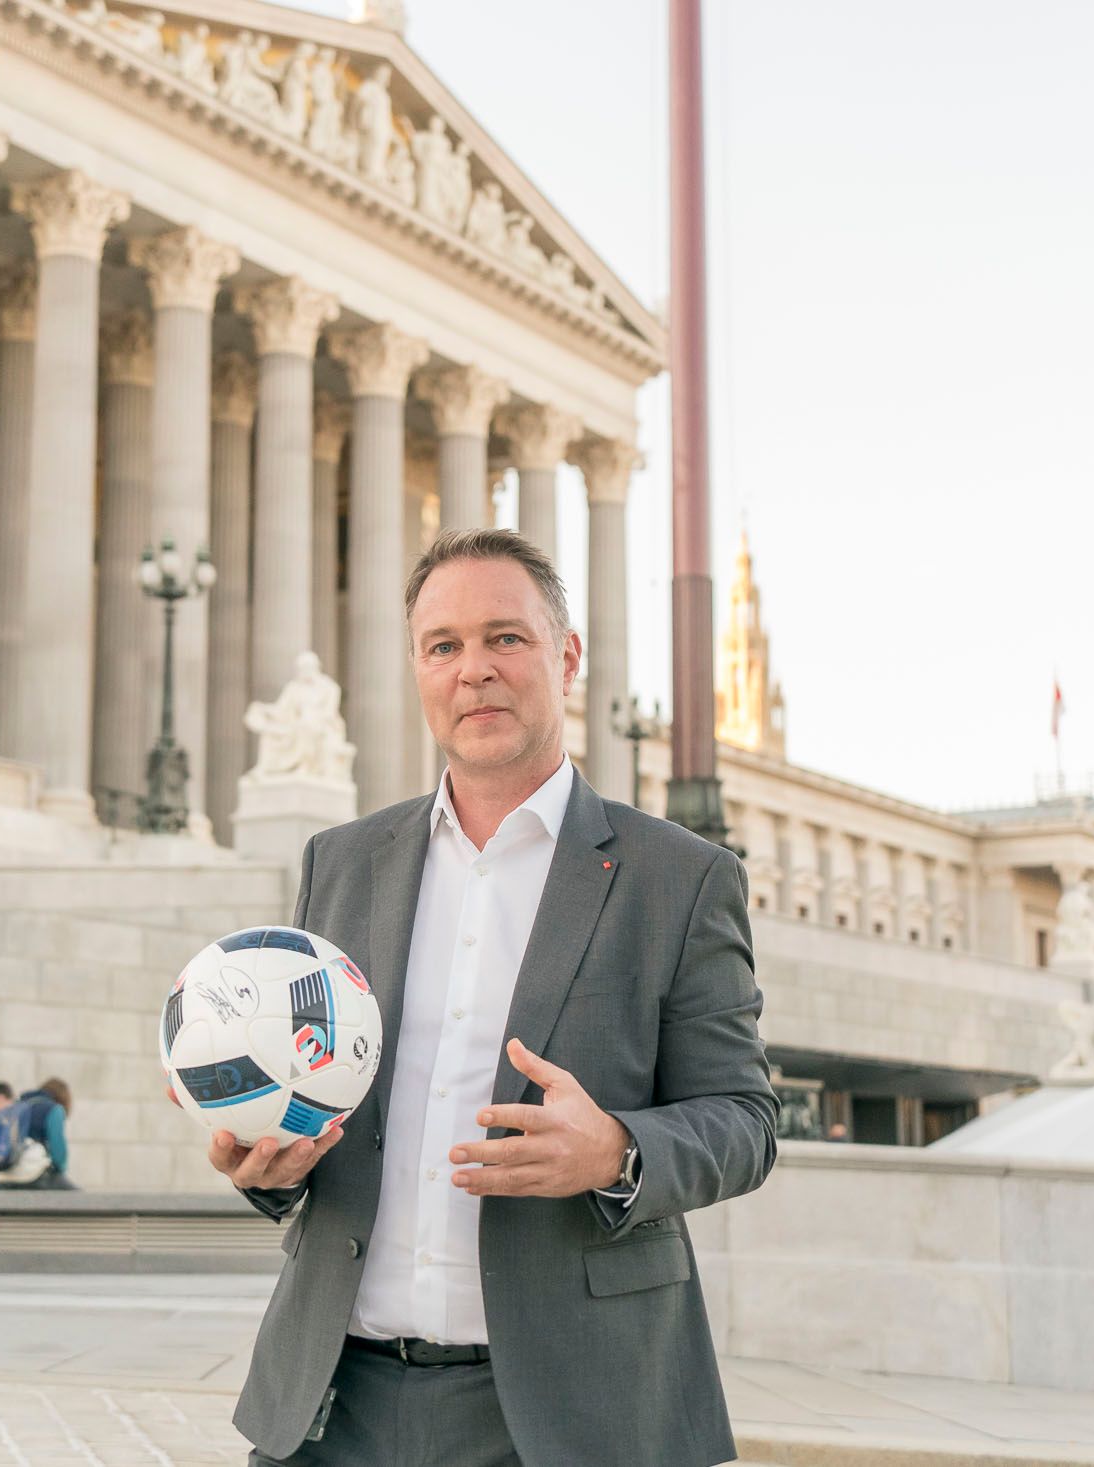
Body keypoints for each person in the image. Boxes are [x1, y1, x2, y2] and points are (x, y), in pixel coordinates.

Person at [213, 528, 777, 1467]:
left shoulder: (679, 878)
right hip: (328, 1406)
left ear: (566, 657)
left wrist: (618, 1149)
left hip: (568, 1414)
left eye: (504, 638)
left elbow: (747, 1120)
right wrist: (271, 1164)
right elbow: (320, 1102)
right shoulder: (340, 865)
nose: (473, 670)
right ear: (419, 670)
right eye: (444, 646)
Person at [0, 1078, 77, 1190]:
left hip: (7, 1174)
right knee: (80, 1199)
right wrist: (60, 1170)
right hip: (34, 1175)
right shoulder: (54, 1109)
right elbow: (58, 1152)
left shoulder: (16, 1106)